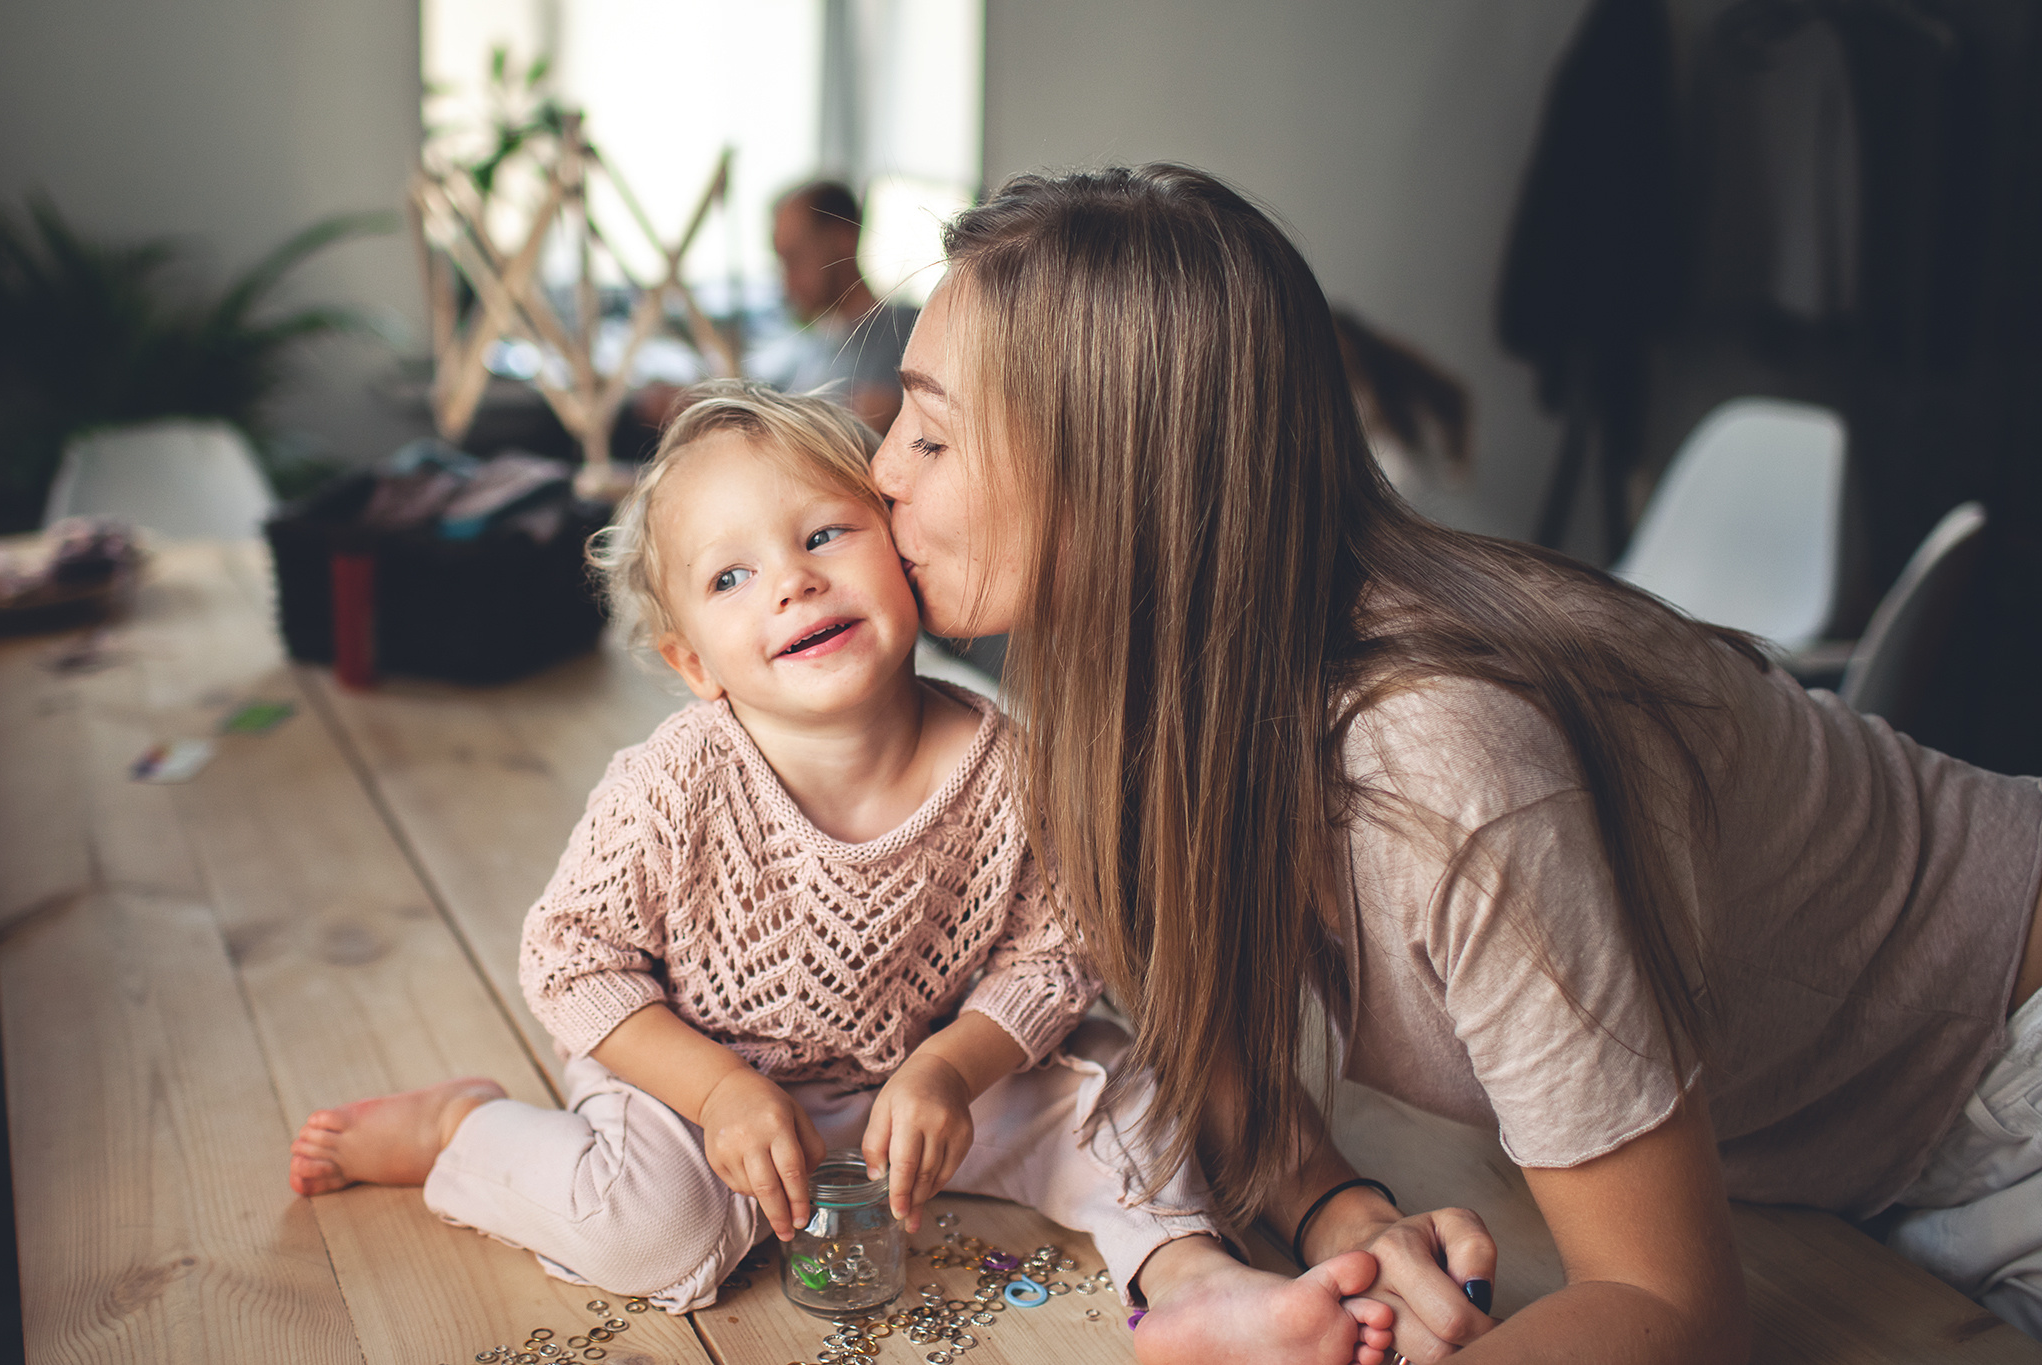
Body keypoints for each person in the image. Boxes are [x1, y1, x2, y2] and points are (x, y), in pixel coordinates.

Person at [869, 164, 2042, 1365]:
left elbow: (1672, 1310)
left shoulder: (1438, 756)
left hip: (2002, 1085)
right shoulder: (1134, 710)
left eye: (930, 432)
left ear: (1113, 468)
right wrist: (1341, 1207)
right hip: (1805, 1148)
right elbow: (1209, 1054)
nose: (881, 476)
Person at [284, 381, 1389, 1337]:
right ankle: (456, 1134)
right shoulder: (674, 782)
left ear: (899, 550)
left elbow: (1054, 959)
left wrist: (952, 1068)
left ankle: (1190, 1280)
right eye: (729, 579)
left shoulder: (1011, 766)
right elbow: (574, 964)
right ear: (691, 662)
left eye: (824, 535)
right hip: (697, 1084)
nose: (790, 583)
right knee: (644, 1228)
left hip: (920, 1085)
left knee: (1122, 1090)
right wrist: (716, 1092)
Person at [745, 180, 917, 434]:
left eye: (795, 258)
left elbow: (856, 441)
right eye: (780, 262)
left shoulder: (901, 331)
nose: (786, 282)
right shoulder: (814, 343)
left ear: (843, 239)